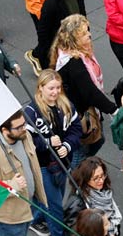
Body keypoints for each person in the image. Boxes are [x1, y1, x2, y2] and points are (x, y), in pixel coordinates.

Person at [22, 70, 81, 236]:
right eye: (51, 88)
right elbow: (27, 141)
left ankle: (33, 218)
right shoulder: (31, 112)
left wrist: (67, 145)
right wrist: (47, 142)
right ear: (40, 88)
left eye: (58, 87)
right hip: (42, 165)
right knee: (55, 206)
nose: (55, 92)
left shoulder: (66, 105)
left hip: (62, 162)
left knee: (53, 199)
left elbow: (76, 129)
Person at [51, 15, 119, 159]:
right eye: (83, 34)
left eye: (87, 30)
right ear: (73, 40)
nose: (89, 34)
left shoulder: (69, 53)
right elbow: (90, 92)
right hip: (78, 114)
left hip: (80, 108)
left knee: (96, 141)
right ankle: (79, 173)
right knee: (83, 148)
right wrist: (113, 110)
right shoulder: (74, 63)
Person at [33, 0, 86, 72]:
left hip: (76, 41)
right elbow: (44, 34)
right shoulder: (51, 4)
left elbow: (82, 13)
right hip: (61, 47)